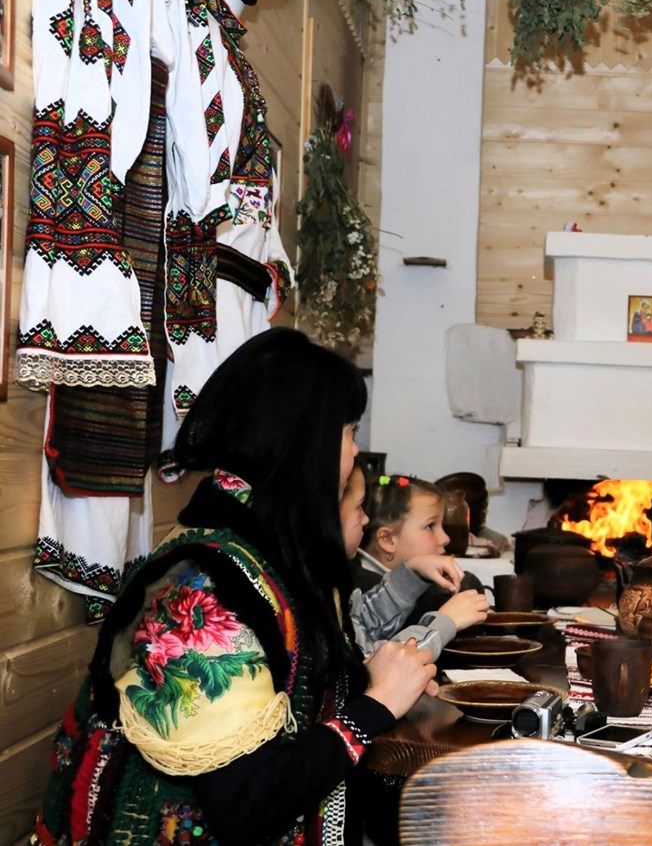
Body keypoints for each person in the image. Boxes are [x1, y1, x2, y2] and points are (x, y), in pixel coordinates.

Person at [33, 329, 439, 843]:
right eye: (349, 432)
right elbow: (247, 803)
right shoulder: (201, 591)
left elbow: (297, 697)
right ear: (306, 445)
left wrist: (373, 679)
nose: (356, 452)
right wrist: (374, 706)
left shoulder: (269, 555)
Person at [350, 473, 489, 657]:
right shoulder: (358, 587)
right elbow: (379, 660)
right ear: (388, 540)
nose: (445, 538)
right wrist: (446, 621)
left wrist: (412, 572)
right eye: (430, 526)